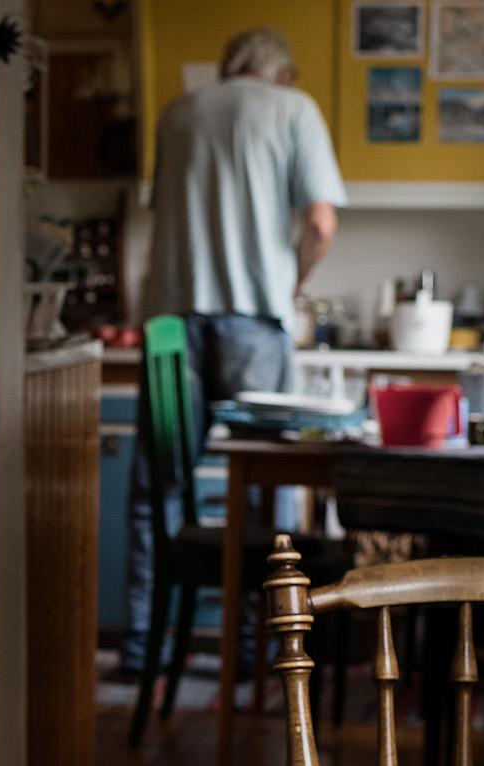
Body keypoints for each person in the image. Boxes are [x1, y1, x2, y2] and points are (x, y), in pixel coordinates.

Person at [120, 27, 346, 677]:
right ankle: (254, 655)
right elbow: (322, 223)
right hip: (254, 321)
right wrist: (295, 282)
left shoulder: (179, 113)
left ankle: (144, 650)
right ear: (285, 70)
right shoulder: (294, 109)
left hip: (172, 326)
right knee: (266, 494)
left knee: (158, 489)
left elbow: (161, 212)